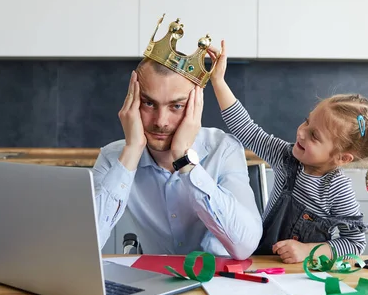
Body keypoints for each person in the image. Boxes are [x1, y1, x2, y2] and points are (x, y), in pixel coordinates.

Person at [91, 16, 262, 260]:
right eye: (149, 103)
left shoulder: (223, 149)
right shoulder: (113, 157)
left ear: (196, 104)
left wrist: (184, 160)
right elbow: (85, 246)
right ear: (133, 100)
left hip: (220, 284)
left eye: (176, 106)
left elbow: (244, 246)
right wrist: (132, 150)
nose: (160, 121)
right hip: (153, 285)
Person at [207, 40, 368, 264]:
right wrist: (217, 81)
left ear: (341, 157)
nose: (302, 133)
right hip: (259, 263)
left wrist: (308, 251)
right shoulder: (285, 157)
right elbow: (246, 129)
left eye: (314, 136)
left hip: (302, 275)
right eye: (306, 122)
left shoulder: (336, 188)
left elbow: (354, 243)